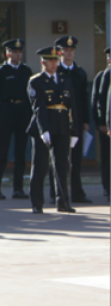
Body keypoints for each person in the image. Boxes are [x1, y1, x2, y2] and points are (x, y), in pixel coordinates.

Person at [27, 45, 76, 214]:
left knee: (62, 166)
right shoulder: (36, 81)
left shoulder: (64, 80)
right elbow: (38, 106)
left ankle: (63, 202)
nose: (54, 63)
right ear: (43, 62)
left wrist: (74, 130)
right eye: (50, 60)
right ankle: (37, 204)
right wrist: (44, 130)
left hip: (61, 126)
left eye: (56, 60)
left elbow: (71, 106)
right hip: (44, 126)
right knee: (40, 166)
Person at [0, 38, 32, 200]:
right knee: (2, 152)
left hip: (23, 111)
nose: (18, 54)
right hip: (7, 110)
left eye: (20, 52)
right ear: (8, 53)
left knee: (20, 151)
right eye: (15, 52)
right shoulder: (1, 72)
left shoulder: (26, 71)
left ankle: (18, 188)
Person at [55, 36, 92, 204]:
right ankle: (56, 193)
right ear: (60, 52)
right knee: (57, 157)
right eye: (66, 50)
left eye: (71, 50)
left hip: (76, 119)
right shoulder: (56, 72)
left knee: (76, 158)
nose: (69, 53)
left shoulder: (79, 72)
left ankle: (77, 192)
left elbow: (84, 99)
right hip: (59, 118)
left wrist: (85, 120)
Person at [93, 47, 111, 200]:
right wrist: (102, 122)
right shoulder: (105, 75)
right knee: (107, 157)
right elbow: (100, 100)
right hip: (107, 123)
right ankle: (107, 186)